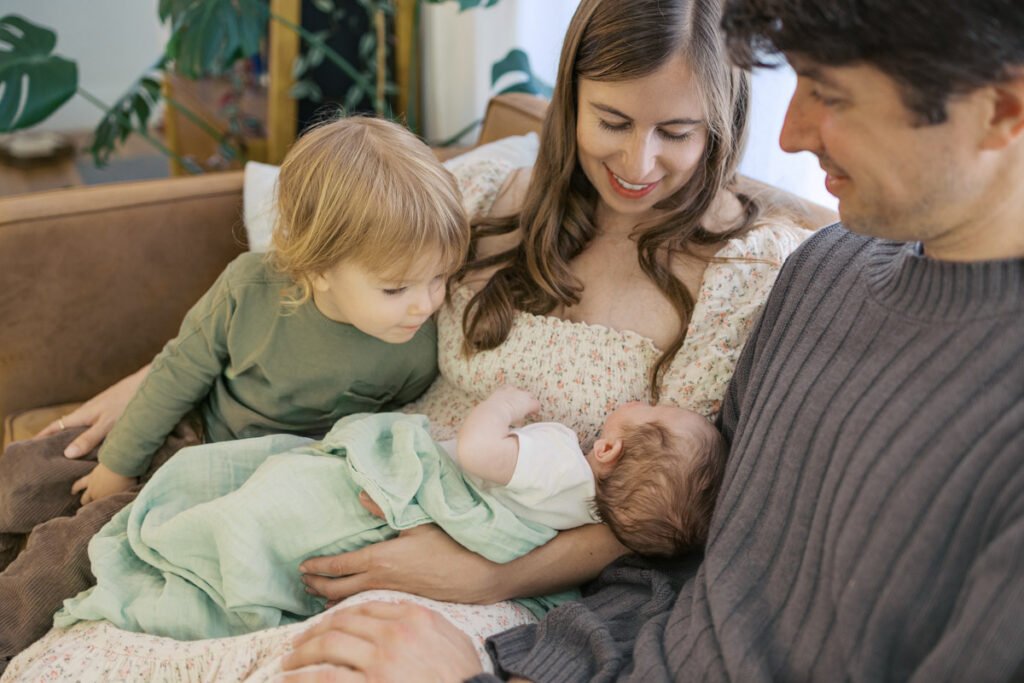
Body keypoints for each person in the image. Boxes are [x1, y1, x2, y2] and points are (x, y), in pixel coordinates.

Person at [1, 0, 814, 677]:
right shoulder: (501, 190)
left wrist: (480, 572)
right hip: (345, 470)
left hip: (493, 554)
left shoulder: (740, 268)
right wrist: (140, 385)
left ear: (726, 118)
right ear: (570, 100)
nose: (639, 160)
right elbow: (317, 263)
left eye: (678, 131)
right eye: (612, 119)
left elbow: (659, 503)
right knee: (70, 553)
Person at [272, 0, 1024, 680]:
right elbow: (678, 560)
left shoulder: (773, 276)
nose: (789, 135)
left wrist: (480, 623)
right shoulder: (823, 274)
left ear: (1003, 109)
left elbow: (665, 533)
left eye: (829, 94)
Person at [0, 114, 468, 662]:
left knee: (74, 548)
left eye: (440, 277)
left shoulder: (415, 346)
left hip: (232, 482)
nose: (427, 303)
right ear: (317, 269)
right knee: (25, 474)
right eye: (397, 287)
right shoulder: (251, 286)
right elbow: (178, 371)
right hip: (190, 426)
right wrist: (120, 462)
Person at [53, 386, 725, 641]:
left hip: (410, 500)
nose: (648, 399)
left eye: (658, 409)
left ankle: (181, 542)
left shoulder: (559, 460)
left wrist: (507, 405)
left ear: (607, 447)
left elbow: (478, 453)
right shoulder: (588, 512)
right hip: (427, 529)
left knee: (264, 499)